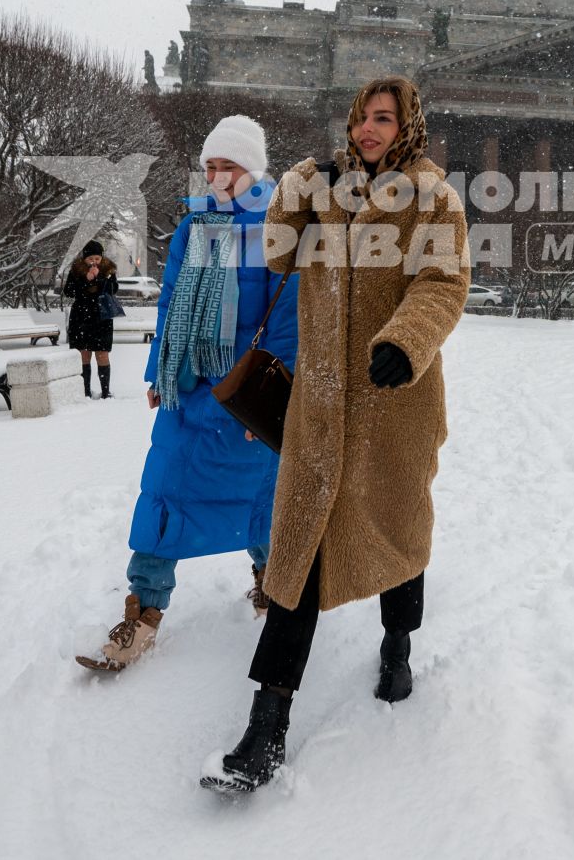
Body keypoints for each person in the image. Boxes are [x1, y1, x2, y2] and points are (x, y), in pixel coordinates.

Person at [201, 76, 469, 793]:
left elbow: (443, 282)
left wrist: (406, 340)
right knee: (299, 552)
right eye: (361, 119)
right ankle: (267, 724)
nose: (369, 130)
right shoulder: (324, 189)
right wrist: (292, 185)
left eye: (384, 118)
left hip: (394, 403)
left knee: (396, 529)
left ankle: (397, 639)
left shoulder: (434, 198)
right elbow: (280, 254)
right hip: (319, 404)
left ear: (407, 125)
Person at [77, 115, 298, 673]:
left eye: (230, 165)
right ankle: (143, 613)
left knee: (258, 505)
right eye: (211, 166)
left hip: (243, 393)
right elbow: (172, 304)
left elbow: (288, 323)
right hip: (190, 387)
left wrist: (272, 400)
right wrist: (160, 372)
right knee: (163, 494)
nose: (219, 175)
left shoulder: (279, 230)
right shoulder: (191, 230)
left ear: (254, 169)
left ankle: (269, 583)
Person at [62, 239, 118, 398]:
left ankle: (105, 392)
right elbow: (69, 292)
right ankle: (85, 391)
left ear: (101, 258)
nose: (94, 262)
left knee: (102, 353)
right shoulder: (76, 270)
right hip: (81, 316)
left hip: (102, 317)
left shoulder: (108, 269)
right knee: (83, 353)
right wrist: (86, 279)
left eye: (97, 258)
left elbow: (113, 289)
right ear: (84, 258)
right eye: (90, 259)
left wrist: (99, 278)